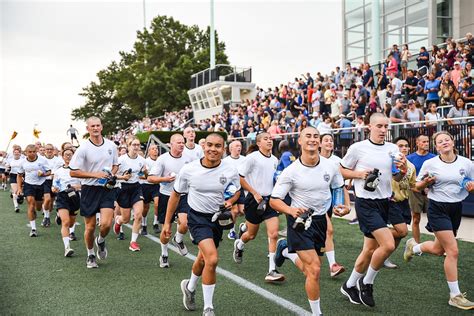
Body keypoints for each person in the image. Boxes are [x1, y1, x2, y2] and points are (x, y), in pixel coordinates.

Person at [270, 127, 350, 316]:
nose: (312, 139)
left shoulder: (330, 166)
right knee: (314, 270)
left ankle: (286, 251)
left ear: (320, 141)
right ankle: (317, 313)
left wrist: (342, 205)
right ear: (300, 141)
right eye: (308, 136)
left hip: (320, 221)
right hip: (299, 222)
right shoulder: (291, 171)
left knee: (311, 271)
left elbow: (338, 185)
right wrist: (290, 210)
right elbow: (274, 200)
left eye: (316, 136)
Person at [162, 133, 241, 316]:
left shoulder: (230, 169)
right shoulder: (189, 169)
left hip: (218, 219)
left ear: (224, 148)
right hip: (197, 218)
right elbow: (175, 195)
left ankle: (189, 287)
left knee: (203, 259)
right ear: (203, 146)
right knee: (212, 259)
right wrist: (167, 223)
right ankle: (208, 308)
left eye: (218, 146)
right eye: (210, 145)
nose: (213, 149)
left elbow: (236, 191)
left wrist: (231, 201)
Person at [339, 113, 406, 307]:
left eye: (386, 127)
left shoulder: (392, 149)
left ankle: (350, 285)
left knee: (369, 249)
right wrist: (359, 174)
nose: (384, 130)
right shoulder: (358, 148)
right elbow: (342, 170)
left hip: (384, 202)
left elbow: (397, 179)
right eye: (379, 126)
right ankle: (366, 283)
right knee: (388, 245)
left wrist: (401, 171)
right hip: (366, 203)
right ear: (370, 127)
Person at [404, 131, 474, 311]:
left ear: (452, 141)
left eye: (446, 140)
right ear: (436, 147)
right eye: (440, 141)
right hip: (437, 208)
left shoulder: (466, 163)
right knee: (453, 251)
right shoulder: (430, 163)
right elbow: (416, 186)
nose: (444, 143)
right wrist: (426, 182)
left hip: (456, 208)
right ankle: (455, 296)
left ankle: (415, 247)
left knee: (437, 249)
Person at [233, 132, 285, 283]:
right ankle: (240, 244)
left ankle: (272, 270)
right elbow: (240, 177)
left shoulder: (275, 160)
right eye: (266, 139)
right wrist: (254, 192)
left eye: (270, 139)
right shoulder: (252, 158)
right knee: (251, 235)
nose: (269, 141)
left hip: (270, 201)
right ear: (259, 143)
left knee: (274, 234)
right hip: (253, 201)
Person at [69, 116, 119, 269]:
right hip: (89, 189)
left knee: (106, 224)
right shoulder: (83, 148)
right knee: (90, 227)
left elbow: (115, 165)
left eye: (98, 125)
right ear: (88, 129)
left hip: (106, 189)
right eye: (93, 126)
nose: (96, 128)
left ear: (102, 127)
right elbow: (73, 173)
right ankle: (90, 254)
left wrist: (110, 174)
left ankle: (101, 241)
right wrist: (95, 175)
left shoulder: (111, 145)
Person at [148, 133, 193, 268]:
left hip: (184, 195)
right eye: (178, 142)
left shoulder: (189, 158)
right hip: (166, 196)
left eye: (182, 142)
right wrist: (164, 179)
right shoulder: (162, 159)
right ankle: (164, 254)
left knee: (184, 224)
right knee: (166, 230)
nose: (181, 144)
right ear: (171, 144)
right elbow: (150, 178)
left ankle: (178, 239)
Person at [319, 133, 350, 277]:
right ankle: (333, 265)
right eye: (326, 140)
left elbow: (342, 185)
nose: (329, 143)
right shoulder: (314, 159)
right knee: (329, 230)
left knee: (322, 233)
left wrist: (348, 205)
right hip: (314, 199)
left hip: (331, 197)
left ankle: (286, 249)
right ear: (320, 144)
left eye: (331, 140)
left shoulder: (338, 161)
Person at [383, 136, 416, 269]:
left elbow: (413, 185)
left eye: (406, 146)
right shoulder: (389, 163)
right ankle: (375, 234)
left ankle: (384, 257)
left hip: (404, 201)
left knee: (399, 235)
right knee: (402, 231)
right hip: (391, 201)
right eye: (400, 146)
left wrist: (426, 185)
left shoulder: (411, 166)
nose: (404, 148)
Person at [113, 137, 147, 252]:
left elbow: (143, 174)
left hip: (136, 187)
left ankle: (133, 242)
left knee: (138, 215)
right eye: (134, 145)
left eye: (138, 145)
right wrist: (123, 177)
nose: (136, 147)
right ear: (128, 146)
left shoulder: (142, 160)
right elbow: (112, 175)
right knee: (126, 219)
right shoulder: (121, 160)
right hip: (123, 188)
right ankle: (118, 221)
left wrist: (145, 172)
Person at [16, 144, 51, 237]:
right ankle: (33, 229)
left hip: (41, 184)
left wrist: (43, 174)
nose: (32, 154)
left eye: (34, 152)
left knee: (38, 207)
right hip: (29, 185)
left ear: (36, 152)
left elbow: (49, 172)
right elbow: (19, 175)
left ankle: (37, 210)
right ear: (26, 152)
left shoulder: (43, 160)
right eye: (29, 152)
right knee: (31, 204)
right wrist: (19, 188)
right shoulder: (22, 162)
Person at [52, 148, 81, 257]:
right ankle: (67, 247)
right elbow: (55, 185)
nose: (68, 157)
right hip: (62, 196)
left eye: (70, 155)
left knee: (71, 223)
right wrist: (54, 189)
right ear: (63, 157)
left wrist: (75, 187)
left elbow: (84, 185)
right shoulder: (58, 171)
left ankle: (60, 216)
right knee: (65, 222)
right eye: (66, 155)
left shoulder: (79, 170)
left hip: (75, 196)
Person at [406, 135, 436, 243]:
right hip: (415, 191)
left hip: (430, 191)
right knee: (416, 219)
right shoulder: (409, 158)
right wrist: (417, 188)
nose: (426, 143)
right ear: (417, 143)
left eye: (427, 141)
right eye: (423, 141)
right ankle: (416, 245)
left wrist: (428, 186)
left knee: (435, 219)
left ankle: (439, 245)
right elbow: (407, 178)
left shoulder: (434, 158)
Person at [223, 140, 246, 240]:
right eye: (236, 146)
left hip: (240, 189)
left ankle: (242, 227)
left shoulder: (245, 160)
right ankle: (232, 231)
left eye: (240, 146)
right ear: (231, 148)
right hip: (230, 190)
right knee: (235, 211)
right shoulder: (225, 161)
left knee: (243, 211)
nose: (239, 147)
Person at [42, 143, 64, 228]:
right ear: (44, 150)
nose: (49, 151)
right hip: (46, 182)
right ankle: (46, 217)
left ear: (54, 150)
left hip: (57, 182)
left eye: (51, 149)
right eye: (47, 149)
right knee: (47, 200)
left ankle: (55, 214)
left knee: (52, 202)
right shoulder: (41, 160)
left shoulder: (59, 160)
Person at [140, 144, 160, 235]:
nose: (155, 150)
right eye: (153, 149)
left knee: (157, 204)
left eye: (156, 148)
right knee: (145, 207)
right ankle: (144, 225)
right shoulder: (145, 161)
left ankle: (155, 224)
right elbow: (142, 175)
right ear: (149, 151)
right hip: (146, 186)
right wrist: (148, 176)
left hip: (156, 185)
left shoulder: (161, 160)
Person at [5, 148, 23, 213]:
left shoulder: (23, 160)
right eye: (15, 152)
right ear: (13, 153)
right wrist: (7, 169)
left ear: (20, 153)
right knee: (15, 192)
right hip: (13, 176)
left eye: (17, 152)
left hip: (21, 176)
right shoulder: (10, 160)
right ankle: (16, 207)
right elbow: (7, 167)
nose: (16, 153)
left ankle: (19, 197)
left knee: (19, 192)